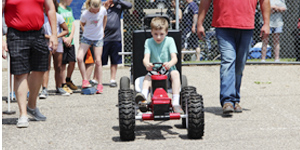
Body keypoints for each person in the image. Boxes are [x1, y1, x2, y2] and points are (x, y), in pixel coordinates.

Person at [197, 0, 270, 114]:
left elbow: (264, 1)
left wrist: (266, 23)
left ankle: (235, 99)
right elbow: (205, 1)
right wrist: (199, 23)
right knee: (228, 60)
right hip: (223, 25)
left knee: (239, 64)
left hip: (246, 26)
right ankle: (227, 101)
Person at [3, 0, 58, 128]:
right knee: (20, 73)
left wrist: (54, 35)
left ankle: (31, 106)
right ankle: (23, 114)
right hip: (16, 34)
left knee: (41, 69)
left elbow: (50, 8)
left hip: (38, 33)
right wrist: (1, 38)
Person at [135, 17, 183, 114]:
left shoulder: (170, 41)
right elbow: (145, 58)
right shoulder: (148, 42)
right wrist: (147, 64)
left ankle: (175, 102)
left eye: (161, 34)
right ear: (151, 32)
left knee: (175, 74)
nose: (158, 37)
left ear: (166, 32)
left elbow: (175, 58)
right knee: (147, 78)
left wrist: (169, 63)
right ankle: (143, 100)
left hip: (167, 72)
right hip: (154, 72)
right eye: (155, 34)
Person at [40, 0, 70, 99]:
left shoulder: (58, 16)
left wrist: (56, 36)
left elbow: (66, 30)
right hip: (45, 44)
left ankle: (59, 86)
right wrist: (49, 37)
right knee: (46, 67)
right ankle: (44, 89)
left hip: (58, 44)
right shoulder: (41, 16)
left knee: (58, 66)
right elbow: (39, 32)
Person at [77, 0, 107, 93]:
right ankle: (85, 80)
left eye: (97, 10)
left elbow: (105, 18)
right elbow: (81, 23)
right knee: (79, 58)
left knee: (98, 61)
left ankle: (100, 84)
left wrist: (103, 30)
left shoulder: (103, 10)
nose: (96, 12)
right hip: (87, 38)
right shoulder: (85, 14)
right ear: (90, 7)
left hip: (98, 38)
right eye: (94, 10)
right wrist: (85, 31)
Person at [102, 0, 132, 88]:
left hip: (116, 38)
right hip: (104, 37)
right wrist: (105, 8)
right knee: (100, 60)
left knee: (114, 60)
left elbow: (129, 5)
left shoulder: (118, 6)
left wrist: (117, 1)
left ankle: (112, 79)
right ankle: (97, 79)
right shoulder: (103, 4)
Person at [58, 0, 77, 93]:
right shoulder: (58, 9)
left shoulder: (69, 9)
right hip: (62, 42)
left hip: (71, 41)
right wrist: (64, 38)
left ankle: (68, 79)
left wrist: (70, 37)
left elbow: (73, 24)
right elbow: (57, 26)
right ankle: (63, 84)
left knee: (72, 61)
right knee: (63, 64)